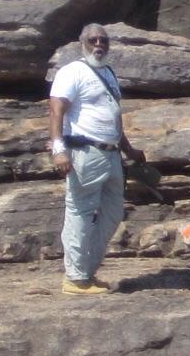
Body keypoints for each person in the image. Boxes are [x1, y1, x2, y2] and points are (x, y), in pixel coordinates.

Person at [47, 24, 143, 294]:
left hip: (111, 154)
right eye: (93, 40)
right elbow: (56, 111)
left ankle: (86, 272)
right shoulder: (72, 72)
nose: (98, 44)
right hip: (84, 152)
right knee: (80, 211)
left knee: (113, 213)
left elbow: (112, 115)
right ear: (82, 43)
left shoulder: (107, 72)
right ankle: (75, 279)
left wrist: (128, 149)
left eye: (103, 40)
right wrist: (58, 150)